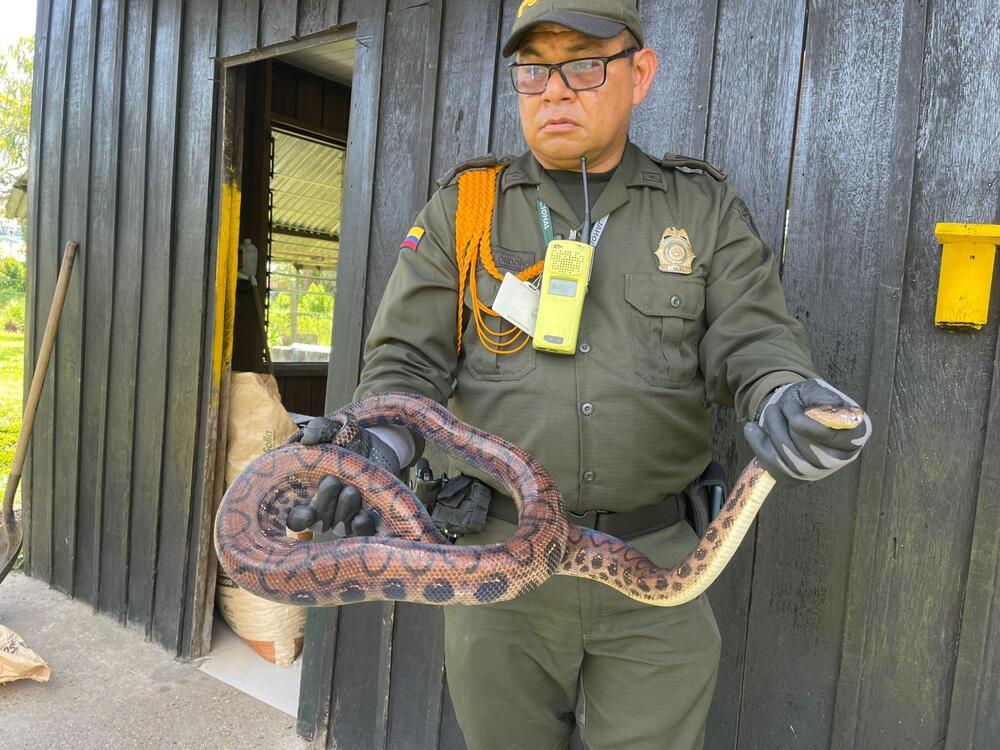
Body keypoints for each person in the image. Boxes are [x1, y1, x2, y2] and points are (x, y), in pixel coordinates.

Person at [294, 1, 872, 747]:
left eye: (584, 63)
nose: (555, 90)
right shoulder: (465, 211)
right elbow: (407, 362)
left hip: (659, 562)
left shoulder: (701, 211)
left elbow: (755, 339)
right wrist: (378, 447)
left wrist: (788, 396)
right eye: (533, 70)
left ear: (641, 74)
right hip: (499, 561)